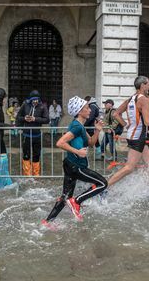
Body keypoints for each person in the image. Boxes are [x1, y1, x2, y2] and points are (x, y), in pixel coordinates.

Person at [42, 96, 108, 225]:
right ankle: (77, 201)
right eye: (87, 108)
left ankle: (48, 221)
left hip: (69, 164)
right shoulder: (77, 127)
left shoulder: (79, 126)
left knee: (65, 196)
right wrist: (78, 152)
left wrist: (97, 131)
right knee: (103, 184)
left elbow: (90, 143)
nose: (90, 110)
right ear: (79, 111)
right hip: (76, 166)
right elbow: (60, 143)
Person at [107, 76, 149, 187]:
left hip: (134, 135)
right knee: (129, 167)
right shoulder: (144, 99)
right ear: (142, 85)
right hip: (138, 137)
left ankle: (143, 187)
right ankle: (105, 187)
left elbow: (115, 114)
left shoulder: (131, 98)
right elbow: (148, 121)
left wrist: (126, 125)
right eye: (148, 84)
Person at [16, 90, 49, 176]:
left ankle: (36, 174)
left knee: (36, 155)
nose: (35, 101)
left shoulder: (42, 106)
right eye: (33, 99)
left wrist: (35, 119)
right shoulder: (25, 105)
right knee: (26, 155)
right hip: (26, 135)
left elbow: (47, 119)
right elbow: (18, 117)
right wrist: (24, 118)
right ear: (30, 99)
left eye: (37, 99)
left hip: (37, 135)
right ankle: (27, 175)